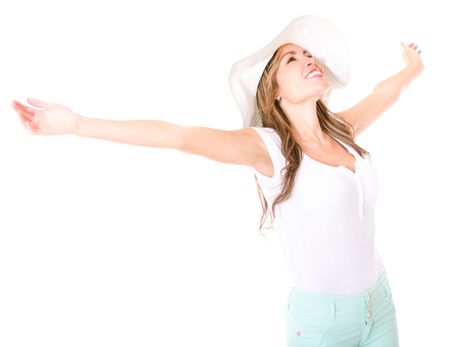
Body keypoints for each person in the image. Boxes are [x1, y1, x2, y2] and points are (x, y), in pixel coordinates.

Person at [11, 15, 423, 347]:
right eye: (291, 59)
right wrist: (79, 124)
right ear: (274, 91)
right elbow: (179, 136)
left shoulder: (341, 131)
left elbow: (385, 94)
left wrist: (413, 67)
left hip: (379, 304)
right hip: (322, 324)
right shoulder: (268, 148)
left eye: (309, 53)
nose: (307, 59)